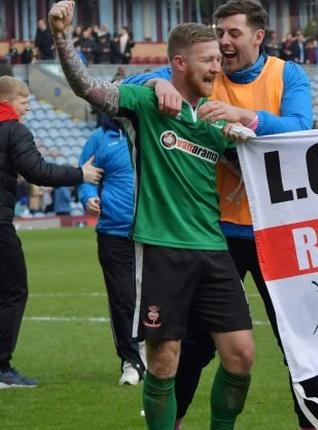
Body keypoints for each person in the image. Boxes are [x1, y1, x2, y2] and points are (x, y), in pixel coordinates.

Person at [51, 3, 257, 429]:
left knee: (241, 357)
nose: (217, 68)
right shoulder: (146, 102)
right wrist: (60, 36)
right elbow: (88, 87)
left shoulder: (216, 123)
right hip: (162, 249)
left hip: (214, 250)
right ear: (179, 63)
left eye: (220, 59)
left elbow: (268, 165)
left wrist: (247, 131)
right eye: (209, 60)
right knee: (164, 361)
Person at [123, 1, 318, 428]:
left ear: (258, 37)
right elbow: (140, 83)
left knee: (299, 342)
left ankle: (313, 424)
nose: (224, 44)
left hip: (277, 230)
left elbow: (301, 131)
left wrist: (245, 116)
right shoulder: (204, 70)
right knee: (195, 344)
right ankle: (174, 420)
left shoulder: (287, 75)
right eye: (220, 34)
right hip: (217, 232)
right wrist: (156, 83)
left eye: (233, 34)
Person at [0, 75, 102, 388]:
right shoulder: (14, 130)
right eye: (24, 101)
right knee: (13, 290)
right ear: (7, 101)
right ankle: (1, 367)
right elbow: (38, 171)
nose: (28, 108)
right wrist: (79, 173)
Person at [77, 111, 147, 385]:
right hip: (113, 232)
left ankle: (152, 352)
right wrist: (89, 197)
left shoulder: (152, 133)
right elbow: (85, 177)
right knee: (122, 298)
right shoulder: (99, 139)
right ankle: (131, 361)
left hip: (153, 232)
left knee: (155, 296)